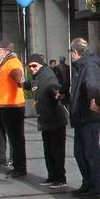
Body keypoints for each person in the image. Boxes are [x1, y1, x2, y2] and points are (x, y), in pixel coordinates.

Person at [67, 38, 100, 198]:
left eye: (71, 52)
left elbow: (93, 85)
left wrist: (93, 99)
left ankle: (96, 186)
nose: (70, 55)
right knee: (80, 152)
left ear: (75, 52)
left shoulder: (88, 65)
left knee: (90, 152)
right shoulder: (81, 66)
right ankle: (88, 182)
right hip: (81, 116)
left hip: (89, 116)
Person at [26, 53, 68, 187]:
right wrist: (20, 83)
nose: (32, 68)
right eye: (30, 67)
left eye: (34, 66)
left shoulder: (47, 75)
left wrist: (56, 93)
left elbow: (53, 86)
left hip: (55, 119)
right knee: (48, 150)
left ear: (40, 65)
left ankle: (60, 178)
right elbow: (32, 85)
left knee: (57, 150)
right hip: (45, 119)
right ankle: (52, 176)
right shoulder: (37, 76)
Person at [0, 42, 27, 178]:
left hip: (13, 106)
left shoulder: (12, 62)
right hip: (5, 106)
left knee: (17, 139)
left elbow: (17, 74)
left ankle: (20, 168)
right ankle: (17, 166)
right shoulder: (5, 62)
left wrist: (20, 81)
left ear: (6, 51)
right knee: (13, 138)